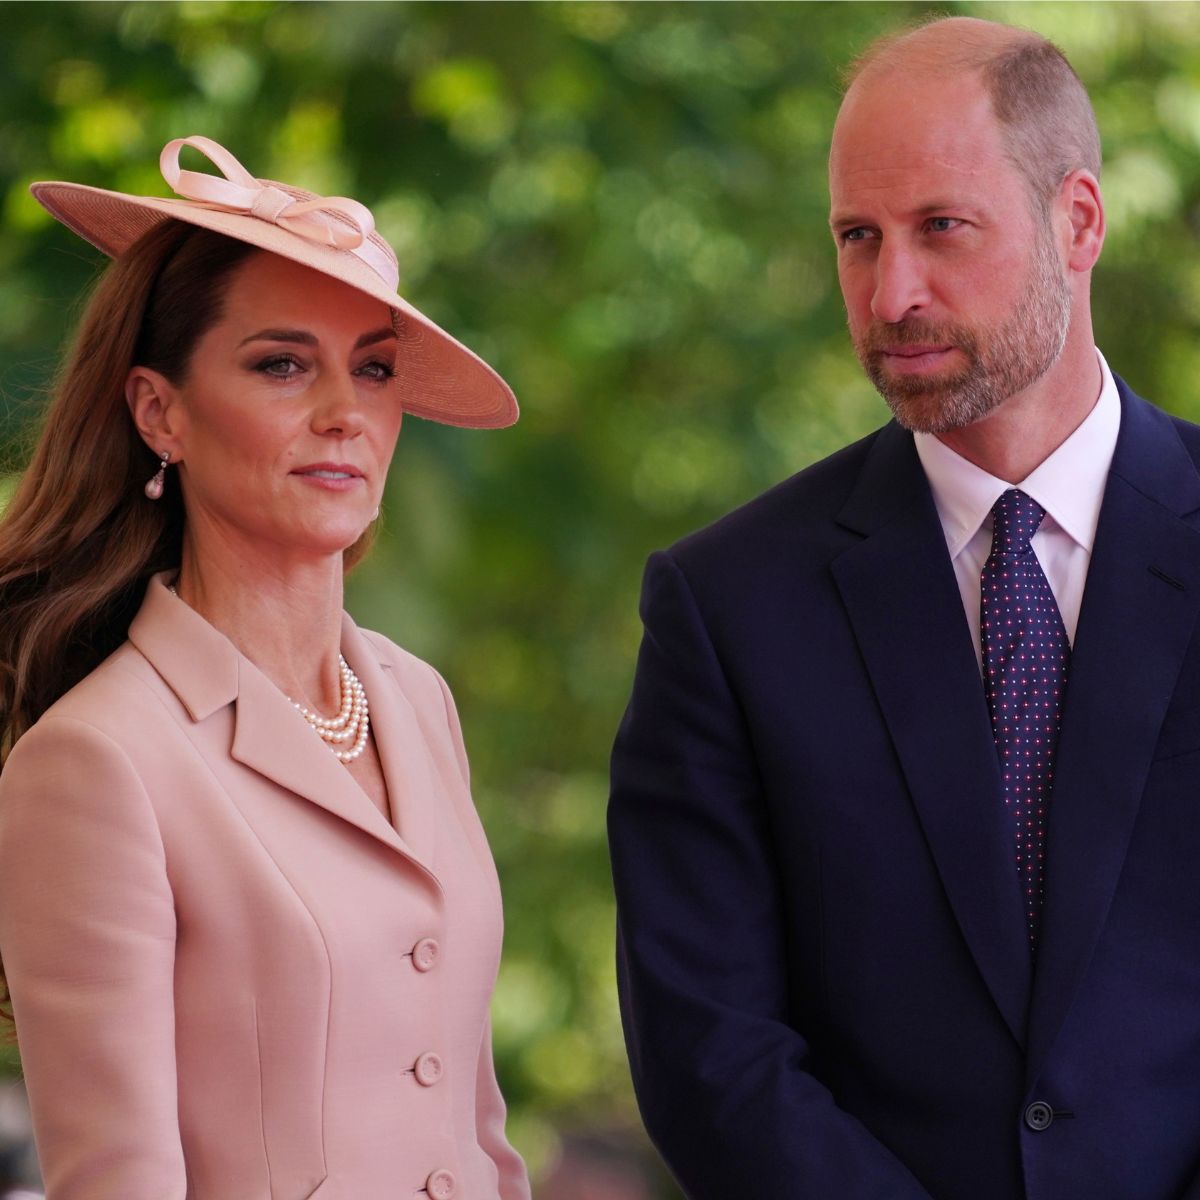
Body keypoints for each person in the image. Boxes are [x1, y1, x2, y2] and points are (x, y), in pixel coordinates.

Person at [609, 16, 1200, 1200]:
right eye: (858, 238)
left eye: (942, 227)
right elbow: (707, 1047)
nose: (894, 291)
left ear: (1078, 220)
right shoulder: (725, 607)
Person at [0, 135, 530, 1200]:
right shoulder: (96, 761)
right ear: (160, 412)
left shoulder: (417, 700)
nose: (345, 411)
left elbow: (475, 1126)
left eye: (373, 368)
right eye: (283, 364)